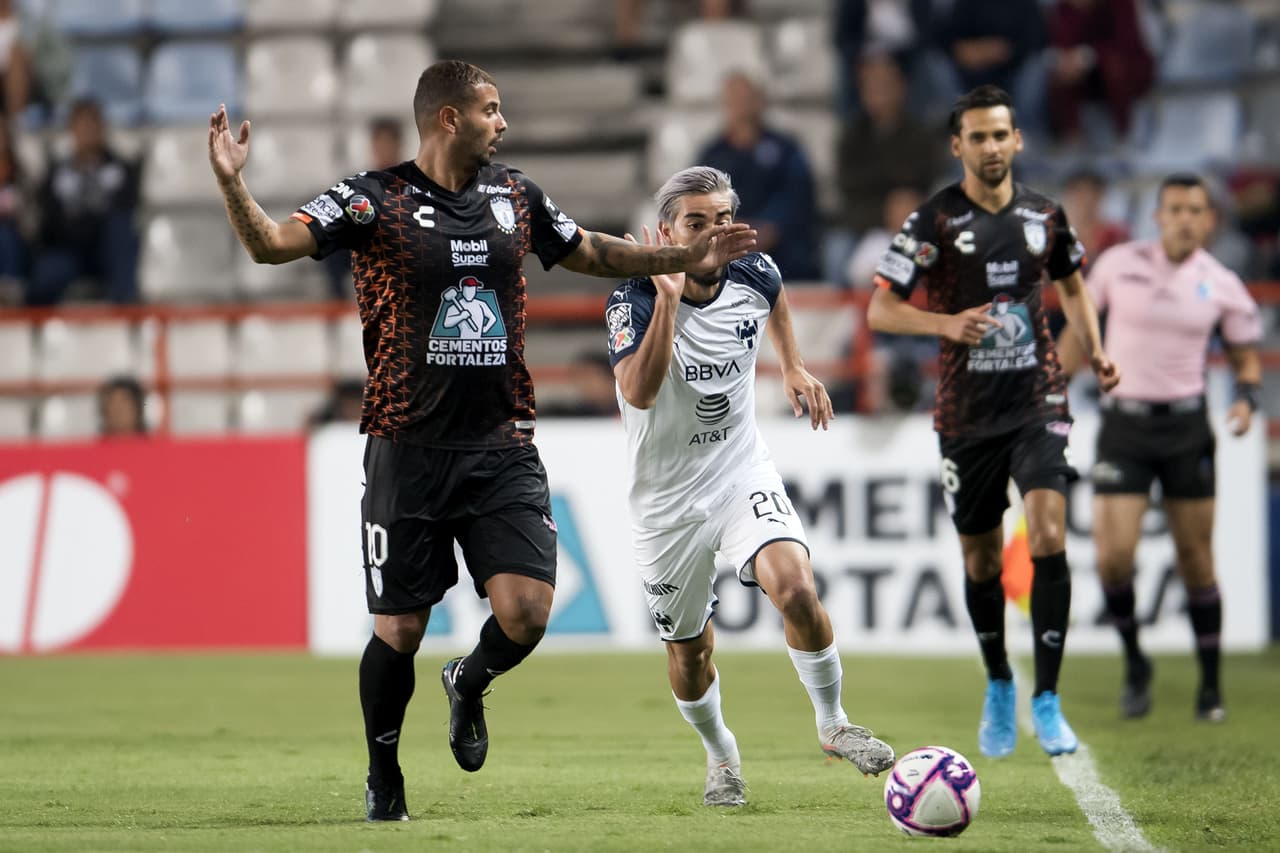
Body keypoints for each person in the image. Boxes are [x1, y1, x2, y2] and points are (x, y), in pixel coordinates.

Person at [207, 59, 756, 823]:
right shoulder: (375, 199)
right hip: (407, 445)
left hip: (501, 442)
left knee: (529, 611)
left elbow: (592, 251)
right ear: (448, 119)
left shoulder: (515, 196)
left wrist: (677, 258)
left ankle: (468, 680)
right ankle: (384, 773)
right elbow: (270, 244)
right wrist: (234, 181)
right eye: (492, 110)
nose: (505, 123)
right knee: (399, 627)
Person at [607, 166, 894, 808]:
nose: (709, 234)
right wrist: (672, 299)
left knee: (794, 585)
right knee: (690, 654)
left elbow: (776, 296)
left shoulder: (755, 272)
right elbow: (638, 391)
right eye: (693, 223)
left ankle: (834, 722)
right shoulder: (635, 295)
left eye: (719, 220)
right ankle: (722, 756)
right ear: (666, 232)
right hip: (666, 501)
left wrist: (791, 364)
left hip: (739, 469)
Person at [866, 85, 1119, 759]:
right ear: (959, 146)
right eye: (977, 137)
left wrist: (1095, 350)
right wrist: (946, 322)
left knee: (1048, 531)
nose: (990, 146)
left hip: (1037, 402)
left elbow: (1073, 287)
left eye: (1000, 134)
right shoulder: (933, 222)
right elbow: (880, 310)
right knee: (980, 558)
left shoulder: (1045, 216)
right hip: (966, 415)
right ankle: (1002, 680)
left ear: (1017, 140)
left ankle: (1049, 699)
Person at [1056, 173, 1263, 723]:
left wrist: (1245, 397)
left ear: (1210, 220)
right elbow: (1080, 328)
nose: (1185, 219)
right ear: (1158, 215)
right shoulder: (1117, 265)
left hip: (1186, 428)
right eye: (1175, 208)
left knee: (1196, 560)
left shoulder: (1221, 283)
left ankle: (1211, 686)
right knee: (1113, 558)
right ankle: (1135, 662)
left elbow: (1245, 354)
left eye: (1196, 209)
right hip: (1125, 425)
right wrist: (1051, 395)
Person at [696, 71, 820, 281]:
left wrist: (770, 227)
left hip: (782, 244)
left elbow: (798, 195)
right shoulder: (712, 154)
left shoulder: (786, 148)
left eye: (746, 98)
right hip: (728, 243)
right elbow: (700, 202)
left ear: (760, 101)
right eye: (734, 99)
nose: (741, 106)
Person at [28, 98, 139, 306]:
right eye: (82, 125)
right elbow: (48, 219)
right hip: (69, 249)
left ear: (102, 128)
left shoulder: (120, 170)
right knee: (47, 272)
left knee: (120, 230)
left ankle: (126, 311)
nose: (87, 132)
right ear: (72, 130)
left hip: (105, 248)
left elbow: (124, 210)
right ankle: (32, 328)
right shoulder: (57, 173)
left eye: (92, 125)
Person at [1046, 0, 1153, 146]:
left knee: (1113, 67)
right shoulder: (1064, 7)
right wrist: (1066, 61)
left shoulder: (1122, 4)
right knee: (1058, 74)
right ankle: (1072, 138)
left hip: (1127, 70)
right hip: (1086, 77)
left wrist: (1086, 56)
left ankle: (1125, 135)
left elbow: (1126, 44)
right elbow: (1061, 42)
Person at [323, 117, 407, 298]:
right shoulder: (362, 186)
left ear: (398, 145)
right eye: (378, 144)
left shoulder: (412, 185)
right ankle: (337, 303)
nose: (382, 150)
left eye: (387, 144)